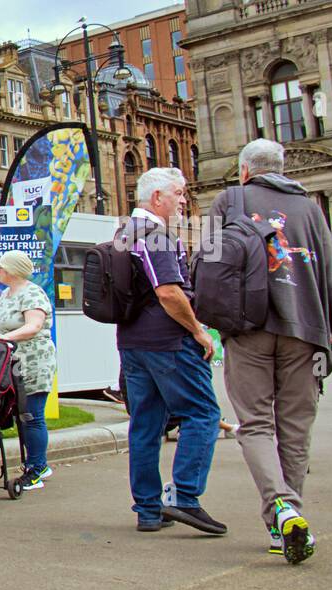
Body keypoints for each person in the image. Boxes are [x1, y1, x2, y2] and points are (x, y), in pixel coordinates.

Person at [210, 139, 332, 562]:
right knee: (295, 429)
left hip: (247, 329)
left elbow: (206, 265)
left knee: (255, 425)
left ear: (244, 171)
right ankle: (288, 516)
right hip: (306, 330)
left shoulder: (227, 201)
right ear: (282, 169)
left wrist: (219, 325)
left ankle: (281, 508)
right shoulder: (310, 208)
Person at [117, 167, 225, 534]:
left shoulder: (123, 233)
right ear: (157, 197)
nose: (184, 201)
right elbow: (168, 292)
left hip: (133, 342)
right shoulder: (155, 235)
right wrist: (198, 330)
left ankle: (148, 509)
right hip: (167, 343)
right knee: (204, 414)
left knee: (145, 425)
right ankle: (185, 498)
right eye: (178, 194)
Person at [0, 250, 57, 489]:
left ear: (12, 270)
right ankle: (34, 462)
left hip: (34, 360)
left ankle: (37, 468)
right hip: (11, 362)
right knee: (19, 415)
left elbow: (34, 326)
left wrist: (4, 337)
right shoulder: (6, 293)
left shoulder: (32, 293)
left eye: (1, 267)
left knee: (32, 415)